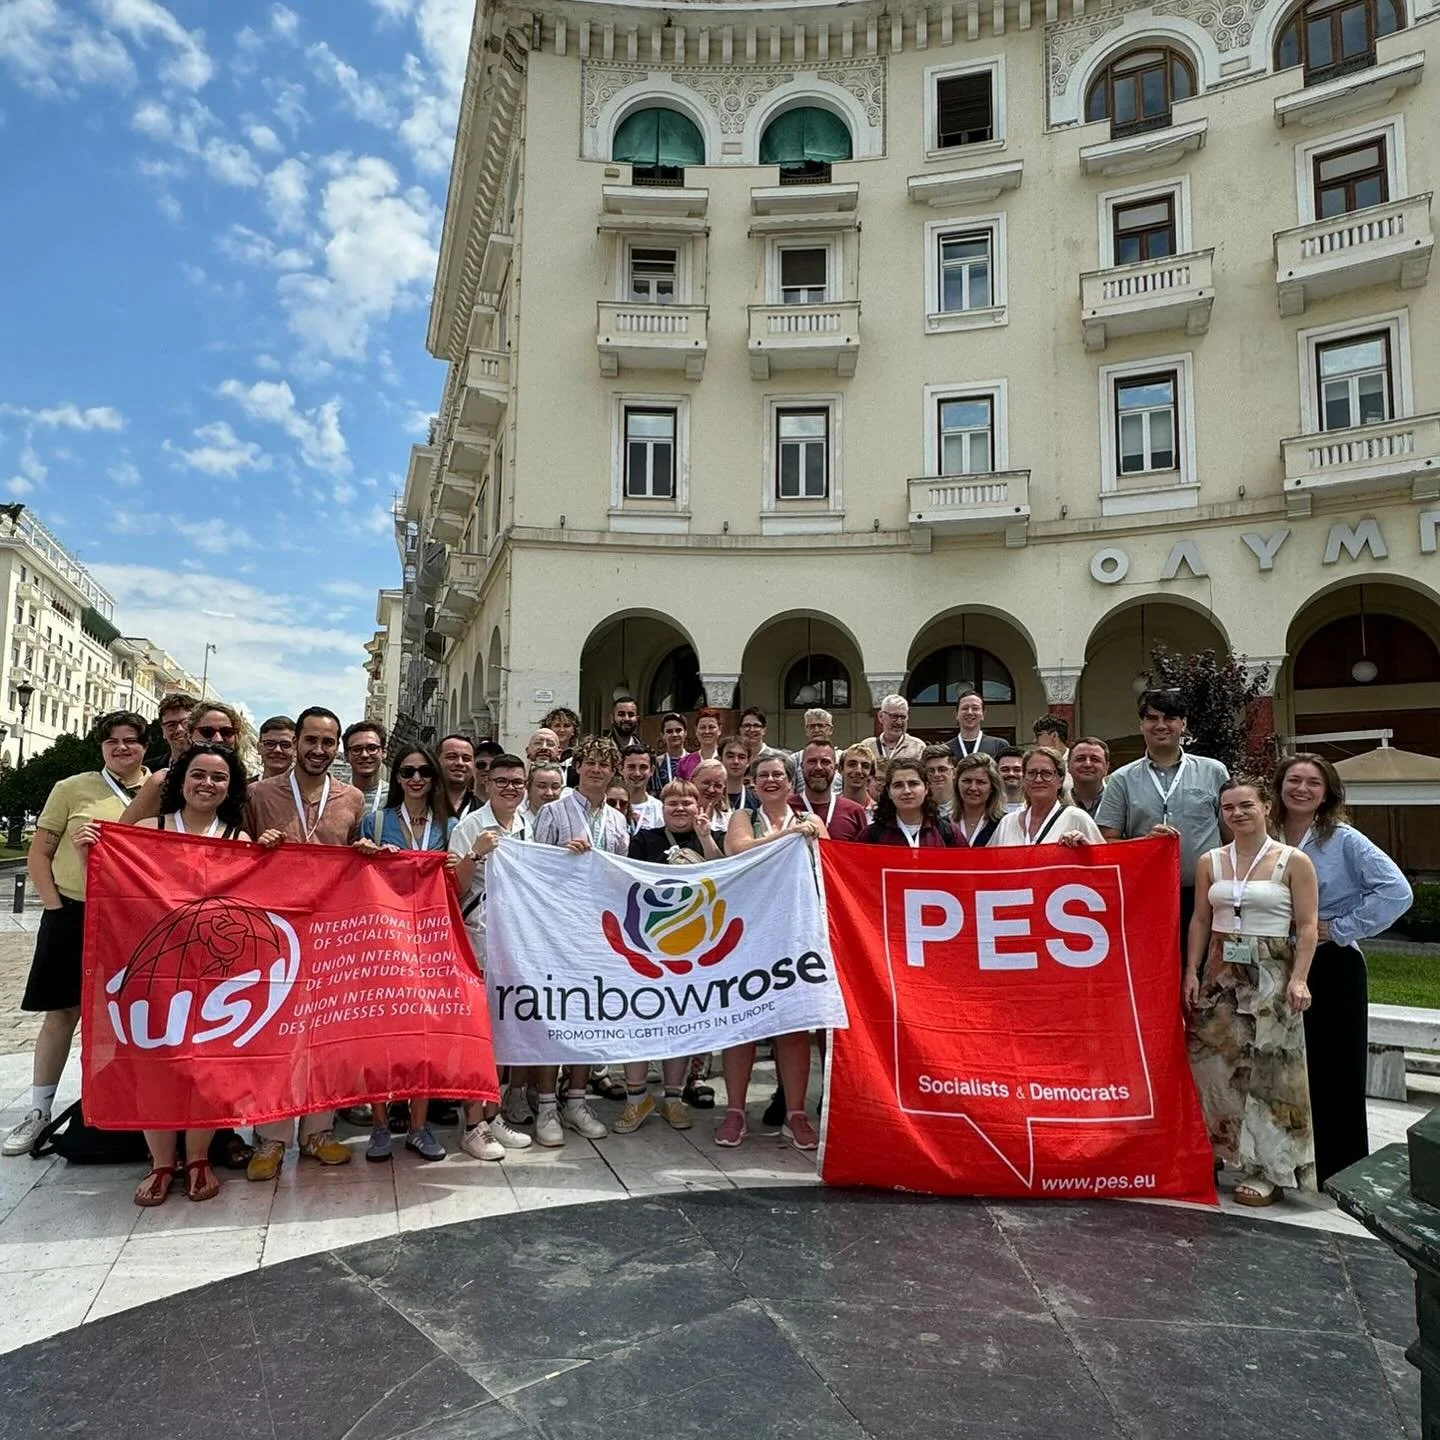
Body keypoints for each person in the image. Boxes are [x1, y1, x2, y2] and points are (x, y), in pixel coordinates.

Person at [2, 711, 151, 1158]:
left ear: (145, 746)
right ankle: (39, 1110)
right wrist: (55, 907)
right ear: (101, 747)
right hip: (73, 910)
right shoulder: (72, 788)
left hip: (130, 918)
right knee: (62, 1011)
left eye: (131, 740)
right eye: (112, 741)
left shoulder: (159, 791)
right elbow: (39, 852)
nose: (122, 748)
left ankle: (113, 1105)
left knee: (123, 1015)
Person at [1272, 753, 1413, 1185]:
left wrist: (1340, 927)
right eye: (1293, 780)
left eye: (1313, 783)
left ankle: (1340, 1169)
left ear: (1328, 792)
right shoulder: (1266, 835)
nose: (1302, 789)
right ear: (1279, 787)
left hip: (1331, 964)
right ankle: (1287, 1161)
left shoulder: (1343, 839)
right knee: (1282, 1066)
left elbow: (1396, 891)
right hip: (1277, 961)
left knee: (1335, 1067)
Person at [123, 743, 253, 1205]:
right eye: (199, 775)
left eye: (218, 778)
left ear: (230, 787)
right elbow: (113, 887)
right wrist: (92, 848)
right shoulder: (146, 831)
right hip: (157, 968)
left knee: (206, 1066)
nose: (207, 784)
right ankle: (161, 1163)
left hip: (216, 974)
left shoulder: (240, 841)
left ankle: (198, 1157)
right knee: (155, 1063)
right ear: (181, 781)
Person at [242, 707, 367, 1179]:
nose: (319, 751)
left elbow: (358, 860)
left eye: (327, 742)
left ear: (337, 747)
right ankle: (271, 1137)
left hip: (330, 934)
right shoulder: (258, 794)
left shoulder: (351, 797)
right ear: (294, 742)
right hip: (274, 932)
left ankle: (318, 1130)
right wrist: (258, 845)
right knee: (273, 1034)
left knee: (324, 1035)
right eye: (310, 741)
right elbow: (235, 852)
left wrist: (368, 854)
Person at [1185, 777, 1320, 1206]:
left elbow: (1308, 925)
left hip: (1271, 966)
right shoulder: (1212, 860)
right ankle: (1219, 1151)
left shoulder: (1293, 861)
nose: (1237, 814)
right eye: (1228, 808)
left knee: (1270, 1070)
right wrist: (1191, 970)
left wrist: (1299, 977)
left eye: (1245, 805)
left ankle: (1269, 1166)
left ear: (1265, 806)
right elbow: (1201, 920)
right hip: (1221, 968)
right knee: (1212, 1064)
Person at [720, 753, 828, 1150]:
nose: (769, 780)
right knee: (741, 1022)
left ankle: (796, 1113)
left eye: (777, 775)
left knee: (793, 1024)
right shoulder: (743, 818)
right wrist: (786, 838)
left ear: (790, 782)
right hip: (748, 933)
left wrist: (804, 836)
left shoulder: (811, 820)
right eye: (762, 775)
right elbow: (739, 850)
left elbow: (830, 861)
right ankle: (734, 1111)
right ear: (752, 783)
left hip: (798, 932)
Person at [530, 735, 630, 1145]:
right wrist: (562, 858)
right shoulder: (553, 811)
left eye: (605, 765)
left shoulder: (619, 821)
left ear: (612, 772)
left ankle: (576, 1100)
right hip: (558, 931)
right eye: (590, 762)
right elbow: (532, 868)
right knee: (553, 1018)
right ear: (578, 766)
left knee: (589, 1016)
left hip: (600, 933)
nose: (597, 770)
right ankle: (546, 1106)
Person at [614, 780, 727, 1134]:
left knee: (680, 1022)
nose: (680, 808)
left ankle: (673, 1098)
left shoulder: (711, 836)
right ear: (661, 808)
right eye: (673, 803)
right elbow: (622, 881)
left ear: (699, 806)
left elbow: (725, 875)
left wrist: (706, 837)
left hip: (692, 947)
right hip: (646, 943)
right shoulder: (645, 839)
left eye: (687, 803)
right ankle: (637, 1100)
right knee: (639, 1019)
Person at [449, 752, 538, 1160]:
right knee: (478, 1036)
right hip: (479, 942)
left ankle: (493, 1113)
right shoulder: (470, 825)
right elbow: (454, 887)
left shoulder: (527, 824)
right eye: (501, 781)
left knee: (503, 1033)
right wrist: (477, 853)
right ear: (487, 785)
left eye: (517, 782)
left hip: (515, 943)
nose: (509, 788)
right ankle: (472, 1125)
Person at [1097, 688, 1229, 953]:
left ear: (1183, 723)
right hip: (1147, 896)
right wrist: (1144, 844)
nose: (1160, 725)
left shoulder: (1214, 771)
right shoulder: (1121, 780)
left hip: (1207, 895)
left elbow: (1232, 835)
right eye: (1152, 718)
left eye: (1169, 718)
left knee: (1206, 973)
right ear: (1141, 724)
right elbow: (1106, 841)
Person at [118, 700, 245, 825]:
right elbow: (121, 833)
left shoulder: (247, 788)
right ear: (189, 735)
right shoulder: (161, 781)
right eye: (207, 731)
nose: (217, 739)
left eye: (226, 732)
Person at [993, 748, 1104, 847]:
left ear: (1060, 781)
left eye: (1046, 773)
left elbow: (1105, 862)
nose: (1038, 780)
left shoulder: (1077, 818)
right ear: (1024, 779)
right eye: (1031, 773)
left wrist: (1086, 848)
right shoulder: (1007, 822)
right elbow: (989, 863)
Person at [864, 758, 960, 847]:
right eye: (898, 785)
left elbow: (966, 864)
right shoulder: (872, 835)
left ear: (926, 788)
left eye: (913, 784)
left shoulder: (947, 832)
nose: (907, 791)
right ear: (889, 792)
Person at [791, 741, 867, 841]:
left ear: (835, 768)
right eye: (812, 761)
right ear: (802, 767)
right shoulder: (787, 808)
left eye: (825, 762)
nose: (818, 767)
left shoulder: (854, 812)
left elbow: (863, 854)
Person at [951, 754, 1005, 847]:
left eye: (980, 782)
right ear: (957, 783)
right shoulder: (942, 825)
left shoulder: (1005, 824)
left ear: (992, 787)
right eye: (967, 781)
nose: (973, 787)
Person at [858, 695, 925, 766]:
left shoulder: (917, 747)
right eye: (894, 716)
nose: (899, 722)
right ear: (880, 717)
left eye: (903, 717)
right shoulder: (867, 746)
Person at [343, 720, 387, 815]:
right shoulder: (333, 795)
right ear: (346, 755)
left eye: (372, 748)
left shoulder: (397, 798)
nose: (364, 755)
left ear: (383, 752)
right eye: (356, 749)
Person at [947, 691, 1007, 761]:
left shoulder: (999, 746)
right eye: (965, 708)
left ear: (983, 715)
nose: (970, 712)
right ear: (956, 714)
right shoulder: (946, 749)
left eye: (975, 708)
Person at [146, 691, 197, 770]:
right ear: (163, 731)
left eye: (185, 723)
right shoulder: (149, 770)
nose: (179, 729)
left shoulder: (216, 767)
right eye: (171, 725)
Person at [436, 733, 481, 818]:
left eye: (466, 759)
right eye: (452, 757)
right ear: (436, 761)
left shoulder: (483, 812)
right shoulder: (421, 806)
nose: (460, 763)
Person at [620, 746, 664, 831]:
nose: (637, 773)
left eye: (643, 767)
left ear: (652, 770)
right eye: (631, 767)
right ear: (621, 769)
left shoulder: (659, 809)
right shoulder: (612, 804)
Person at [1068, 736, 1110, 817]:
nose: (1087, 764)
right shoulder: (1057, 804)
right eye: (1080, 759)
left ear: (1106, 767)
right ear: (1068, 765)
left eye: (1095, 759)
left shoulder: (1121, 802)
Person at [719, 734, 758, 818]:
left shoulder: (756, 801)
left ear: (748, 762)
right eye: (730, 756)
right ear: (720, 759)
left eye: (741, 757)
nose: (736, 761)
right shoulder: (711, 797)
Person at [652, 712, 692, 790]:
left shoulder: (694, 760)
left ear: (685, 732)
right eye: (669, 731)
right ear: (662, 735)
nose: (674, 734)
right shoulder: (657, 763)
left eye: (678, 730)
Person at [679, 707, 723, 780]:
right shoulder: (685, 763)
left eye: (711, 727)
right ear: (696, 730)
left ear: (719, 730)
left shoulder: (727, 760)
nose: (707, 731)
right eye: (702, 727)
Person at [789, 708, 836, 774]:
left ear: (831, 730)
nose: (816, 730)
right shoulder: (795, 759)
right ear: (806, 730)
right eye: (812, 726)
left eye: (821, 726)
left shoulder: (842, 757)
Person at [921, 744, 957, 819]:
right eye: (931, 770)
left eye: (942, 769)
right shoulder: (920, 806)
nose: (936, 774)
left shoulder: (966, 804)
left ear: (954, 773)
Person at [840, 744, 877, 817]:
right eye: (852, 764)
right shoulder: (832, 809)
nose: (858, 771)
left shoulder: (879, 813)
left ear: (871, 773)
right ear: (840, 769)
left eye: (865, 766)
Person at [256, 715, 297, 780]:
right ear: (259, 748)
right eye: (269, 743)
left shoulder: (303, 789)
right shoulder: (240, 788)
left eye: (285, 744)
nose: (277, 750)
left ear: (296, 750)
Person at [995, 746, 1026, 812]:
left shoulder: (1036, 807)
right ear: (996, 772)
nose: (1011, 774)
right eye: (1005, 770)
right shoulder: (987, 808)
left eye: (1017, 770)